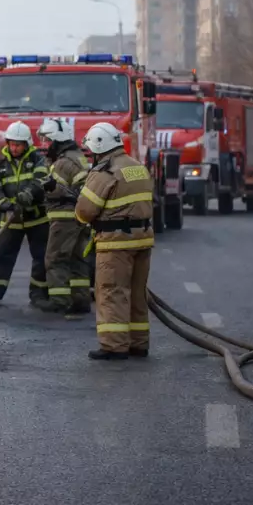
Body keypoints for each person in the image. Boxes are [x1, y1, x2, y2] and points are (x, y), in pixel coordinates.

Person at [74, 122, 155, 360]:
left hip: (115, 243)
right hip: (142, 240)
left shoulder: (104, 172)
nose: (91, 155)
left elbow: (84, 212)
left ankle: (114, 345)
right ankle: (139, 343)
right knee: (137, 293)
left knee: (112, 292)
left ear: (100, 147)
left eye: (92, 150)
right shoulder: (137, 167)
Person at [0, 121, 51, 307]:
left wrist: (28, 195)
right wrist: (4, 204)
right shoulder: (0, 164)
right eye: (11, 144)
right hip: (11, 220)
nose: (14, 148)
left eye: (18, 144)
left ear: (27, 144)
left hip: (36, 218)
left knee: (41, 257)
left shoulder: (38, 160)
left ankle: (39, 295)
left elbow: (40, 181)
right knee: (2, 255)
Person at [37, 118, 92, 316]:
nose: (45, 146)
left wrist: (47, 190)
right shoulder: (76, 157)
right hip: (79, 218)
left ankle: (59, 300)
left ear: (58, 141)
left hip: (64, 218)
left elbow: (59, 190)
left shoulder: (62, 164)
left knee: (55, 258)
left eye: (48, 141)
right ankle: (81, 299)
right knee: (77, 259)